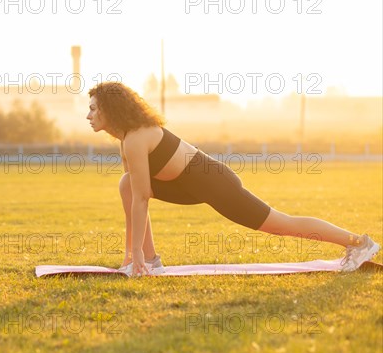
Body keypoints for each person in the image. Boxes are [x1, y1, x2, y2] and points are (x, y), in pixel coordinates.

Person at [86, 81, 380, 277]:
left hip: (215, 183)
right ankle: (150, 262)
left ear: (111, 110)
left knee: (281, 224)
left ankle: (359, 243)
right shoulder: (127, 140)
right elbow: (138, 193)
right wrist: (132, 256)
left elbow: (142, 198)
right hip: (186, 186)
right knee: (126, 184)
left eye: (94, 108)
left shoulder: (137, 138)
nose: (89, 115)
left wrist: (133, 252)